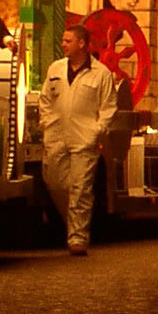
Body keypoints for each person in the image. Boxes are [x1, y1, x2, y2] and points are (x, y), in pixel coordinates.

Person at [39, 21, 118, 254]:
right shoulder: (55, 69)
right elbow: (45, 99)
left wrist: (96, 131)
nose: (63, 44)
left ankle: (78, 237)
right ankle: (73, 223)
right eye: (63, 40)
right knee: (55, 183)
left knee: (81, 188)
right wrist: (47, 123)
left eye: (68, 41)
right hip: (56, 135)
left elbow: (108, 107)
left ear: (81, 44)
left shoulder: (101, 74)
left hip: (84, 138)